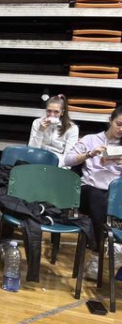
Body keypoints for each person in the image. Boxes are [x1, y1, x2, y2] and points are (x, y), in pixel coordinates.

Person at [64, 106, 122, 279]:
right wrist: (89, 154)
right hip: (89, 190)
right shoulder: (91, 139)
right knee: (98, 197)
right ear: (110, 121)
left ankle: (112, 245)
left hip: (113, 193)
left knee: (110, 199)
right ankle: (101, 250)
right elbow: (67, 159)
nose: (121, 129)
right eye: (119, 124)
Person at [28, 94, 79, 167]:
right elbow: (32, 149)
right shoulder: (37, 123)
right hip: (38, 158)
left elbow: (68, 157)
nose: (52, 115)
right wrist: (40, 130)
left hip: (58, 162)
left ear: (62, 113)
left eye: (56, 112)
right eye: (49, 111)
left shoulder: (72, 128)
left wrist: (57, 168)